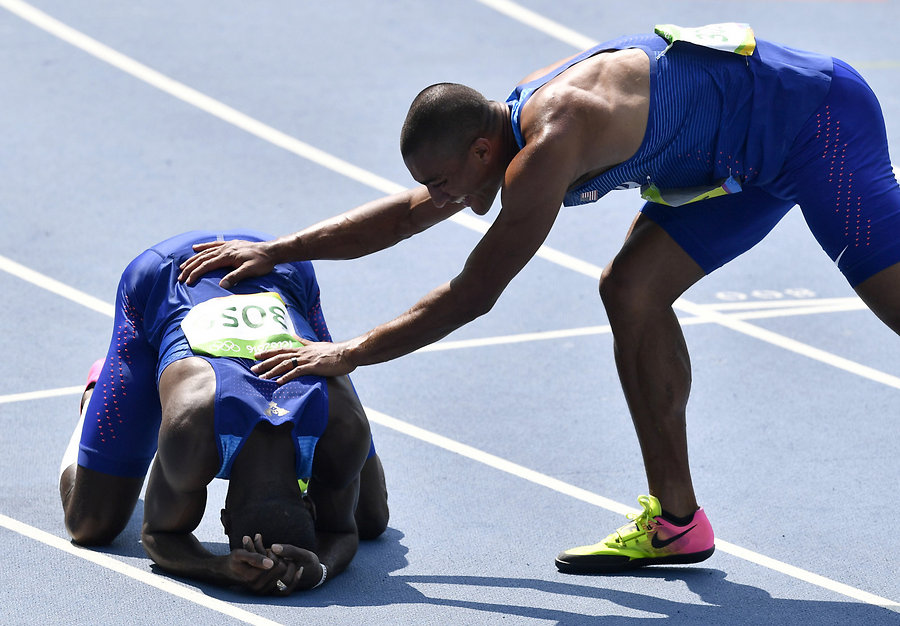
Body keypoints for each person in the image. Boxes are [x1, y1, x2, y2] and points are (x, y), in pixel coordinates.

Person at [177, 24, 900, 573]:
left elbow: (474, 293)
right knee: (631, 289)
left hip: (817, 124)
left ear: (483, 154)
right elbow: (405, 214)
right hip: (742, 156)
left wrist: (347, 353)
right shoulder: (496, 131)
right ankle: (678, 523)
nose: (445, 202)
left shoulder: (549, 142)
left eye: (448, 185)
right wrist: (278, 250)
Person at [59, 230, 389, 594]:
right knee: (89, 525)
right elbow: (157, 533)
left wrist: (319, 569)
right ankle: (98, 395)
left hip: (282, 274)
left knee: (371, 518)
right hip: (167, 276)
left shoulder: (344, 427)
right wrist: (216, 569)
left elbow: (345, 531)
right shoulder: (191, 431)